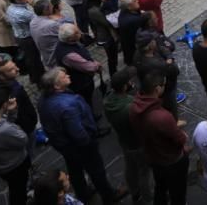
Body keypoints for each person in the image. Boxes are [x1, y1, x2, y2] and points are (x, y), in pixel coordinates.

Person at [38, 67, 127, 203]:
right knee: (96, 170)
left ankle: (83, 192)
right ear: (56, 86)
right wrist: (90, 142)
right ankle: (109, 195)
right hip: (80, 146)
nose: (68, 75)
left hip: (63, 145)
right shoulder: (67, 106)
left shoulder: (43, 99)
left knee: (75, 169)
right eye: (63, 76)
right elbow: (79, 135)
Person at [130, 70, 190, 205]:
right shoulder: (162, 117)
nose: (164, 87)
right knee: (178, 191)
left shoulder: (134, 107)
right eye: (163, 85)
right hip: (171, 160)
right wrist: (182, 136)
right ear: (157, 89)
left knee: (160, 187)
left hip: (153, 156)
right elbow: (179, 139)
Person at [104, 67, 152, 204]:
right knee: (144, 172)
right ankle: (147, 198)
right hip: (138, 143)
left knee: (130, 167)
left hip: (124, 141)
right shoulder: (130, 107)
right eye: (129, 81)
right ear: (125, 86)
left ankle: (134, 193)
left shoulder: (108, 100)